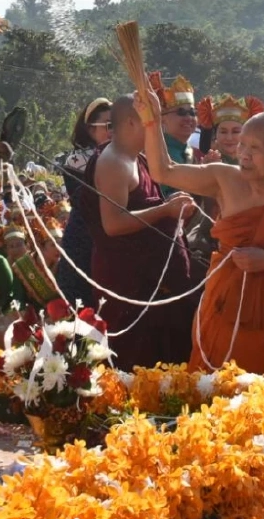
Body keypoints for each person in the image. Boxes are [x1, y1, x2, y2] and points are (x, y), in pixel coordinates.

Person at [139, 89, 264, 378]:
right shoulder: (224, 179)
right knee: (210, 386)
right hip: (224, 304)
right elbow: (162, 170)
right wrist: (151, 120)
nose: (243, 154)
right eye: (242, 145)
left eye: (254, 148)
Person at [82, 94, 197, 370]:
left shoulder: (137, 157)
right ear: (133, 123)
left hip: (150, 281)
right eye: (154, 123)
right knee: (134, 364)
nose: (159, 130)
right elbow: (113, 224)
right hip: (128, 282)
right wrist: (165, 210)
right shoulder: (114, 162)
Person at [54, 98, 113, 307]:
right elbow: (89, 205)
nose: (114, 131)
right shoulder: (77, 160)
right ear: (90, 130)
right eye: (108, 125)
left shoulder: (124, 158)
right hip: (84, 241)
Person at [196, 94, 264, 164]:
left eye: (236, 131)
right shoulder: (207, 162)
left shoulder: (260, 163)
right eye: (223, 132)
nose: (229, 138)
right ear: (216, 134)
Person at [3, 223, 61, 308]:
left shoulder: (66, 265)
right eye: (53, 245)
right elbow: (19, 300)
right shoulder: (21, 266)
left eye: (62, 244)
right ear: (41, 246)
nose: (59, 248)